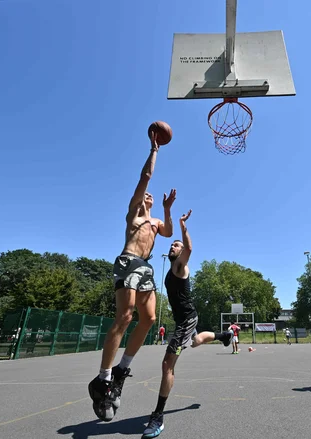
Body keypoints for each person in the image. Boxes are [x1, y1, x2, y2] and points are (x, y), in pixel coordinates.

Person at [88, 130, 176, 422]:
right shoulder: (134, 216)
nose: (147, 197)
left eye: (149, 198)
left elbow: (169, 233)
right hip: (128, 261)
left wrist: (165, 208)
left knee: (149, 319)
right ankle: (103, 377)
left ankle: (121, 369)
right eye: (145, 198)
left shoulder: (155, 222)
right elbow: (145, 179)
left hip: (146, 267)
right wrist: (154, 151)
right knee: (124, 317)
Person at [142, 209, 234, 438]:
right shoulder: (170, 268)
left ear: (182, 251)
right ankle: (224, 336)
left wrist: (182, 226)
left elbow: (190, 248)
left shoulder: (180, 266)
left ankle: (158, 416)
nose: (172, 247)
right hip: (185, 319)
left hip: (186, 319)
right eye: (171, 245)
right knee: (194, 341)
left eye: (176, 245)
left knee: (167, 364)